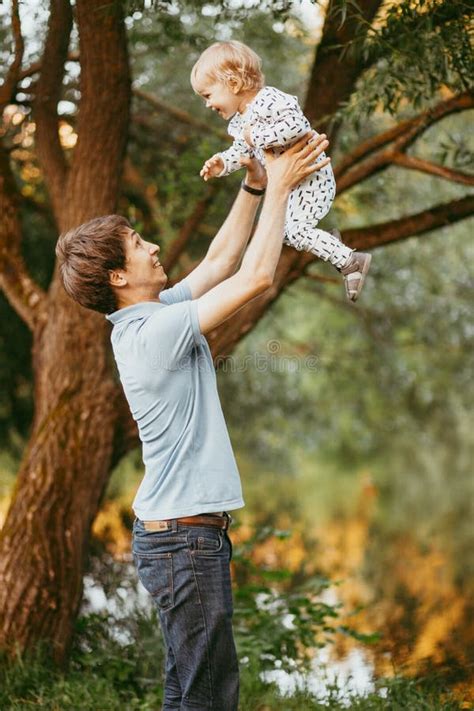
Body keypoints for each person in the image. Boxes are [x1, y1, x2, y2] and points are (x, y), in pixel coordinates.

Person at [56, 131, 330, 710]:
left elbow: (221, 261)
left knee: (189, 690)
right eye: (137, 243)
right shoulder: (153, 333)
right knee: (208, 695)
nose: (153, 246)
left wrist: (256, 184)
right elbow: (255, 278)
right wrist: (283, 188)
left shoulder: (149, 319)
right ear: (117, 278)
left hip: (180, 537)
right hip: (184, 540)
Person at [191, 39, 372, 302]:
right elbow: (241, 153)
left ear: (233, 83)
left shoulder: (269, 100)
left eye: (208, 95)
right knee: (286, 233)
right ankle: (333, 246)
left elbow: (296, 126)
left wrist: (256, 136)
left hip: (310, 177)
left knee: (291, 232)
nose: (207, 104)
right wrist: (221, 163)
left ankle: (350, 261)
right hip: (292, 183)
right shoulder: (240, 122)